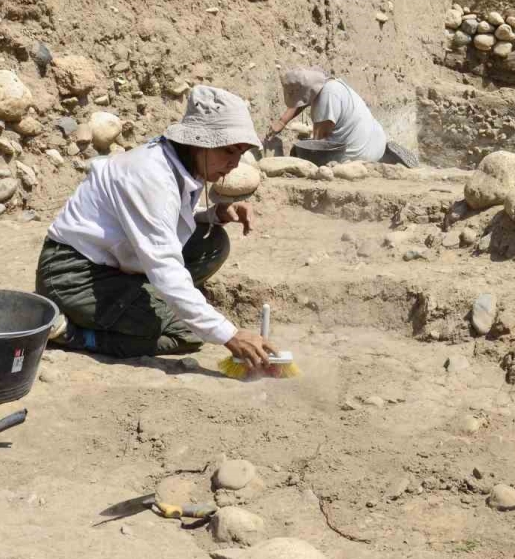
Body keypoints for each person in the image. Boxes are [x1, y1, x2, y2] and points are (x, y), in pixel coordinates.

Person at [35, 85, 276, 366]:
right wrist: (231, 335)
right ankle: (71, 332)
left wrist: (214, 214)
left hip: (113, 264)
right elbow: (165, 265)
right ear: (201, 142)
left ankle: (145, 303)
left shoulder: (180, 164)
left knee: (212, 242)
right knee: (187, 332)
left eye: (241, 153)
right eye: (229, 151)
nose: (234, 164)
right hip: (73, 275)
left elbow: (163, 217)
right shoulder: (151, 176)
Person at [266, 67, 417, 167]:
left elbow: (319, 142)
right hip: (377, 140)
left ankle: (370, 160)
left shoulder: (327, 97)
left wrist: (301, 151)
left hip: (358, 154)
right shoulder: (331, 85)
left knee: (303, 152)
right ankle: (386, 158)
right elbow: (304, 100)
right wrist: (282, 122)